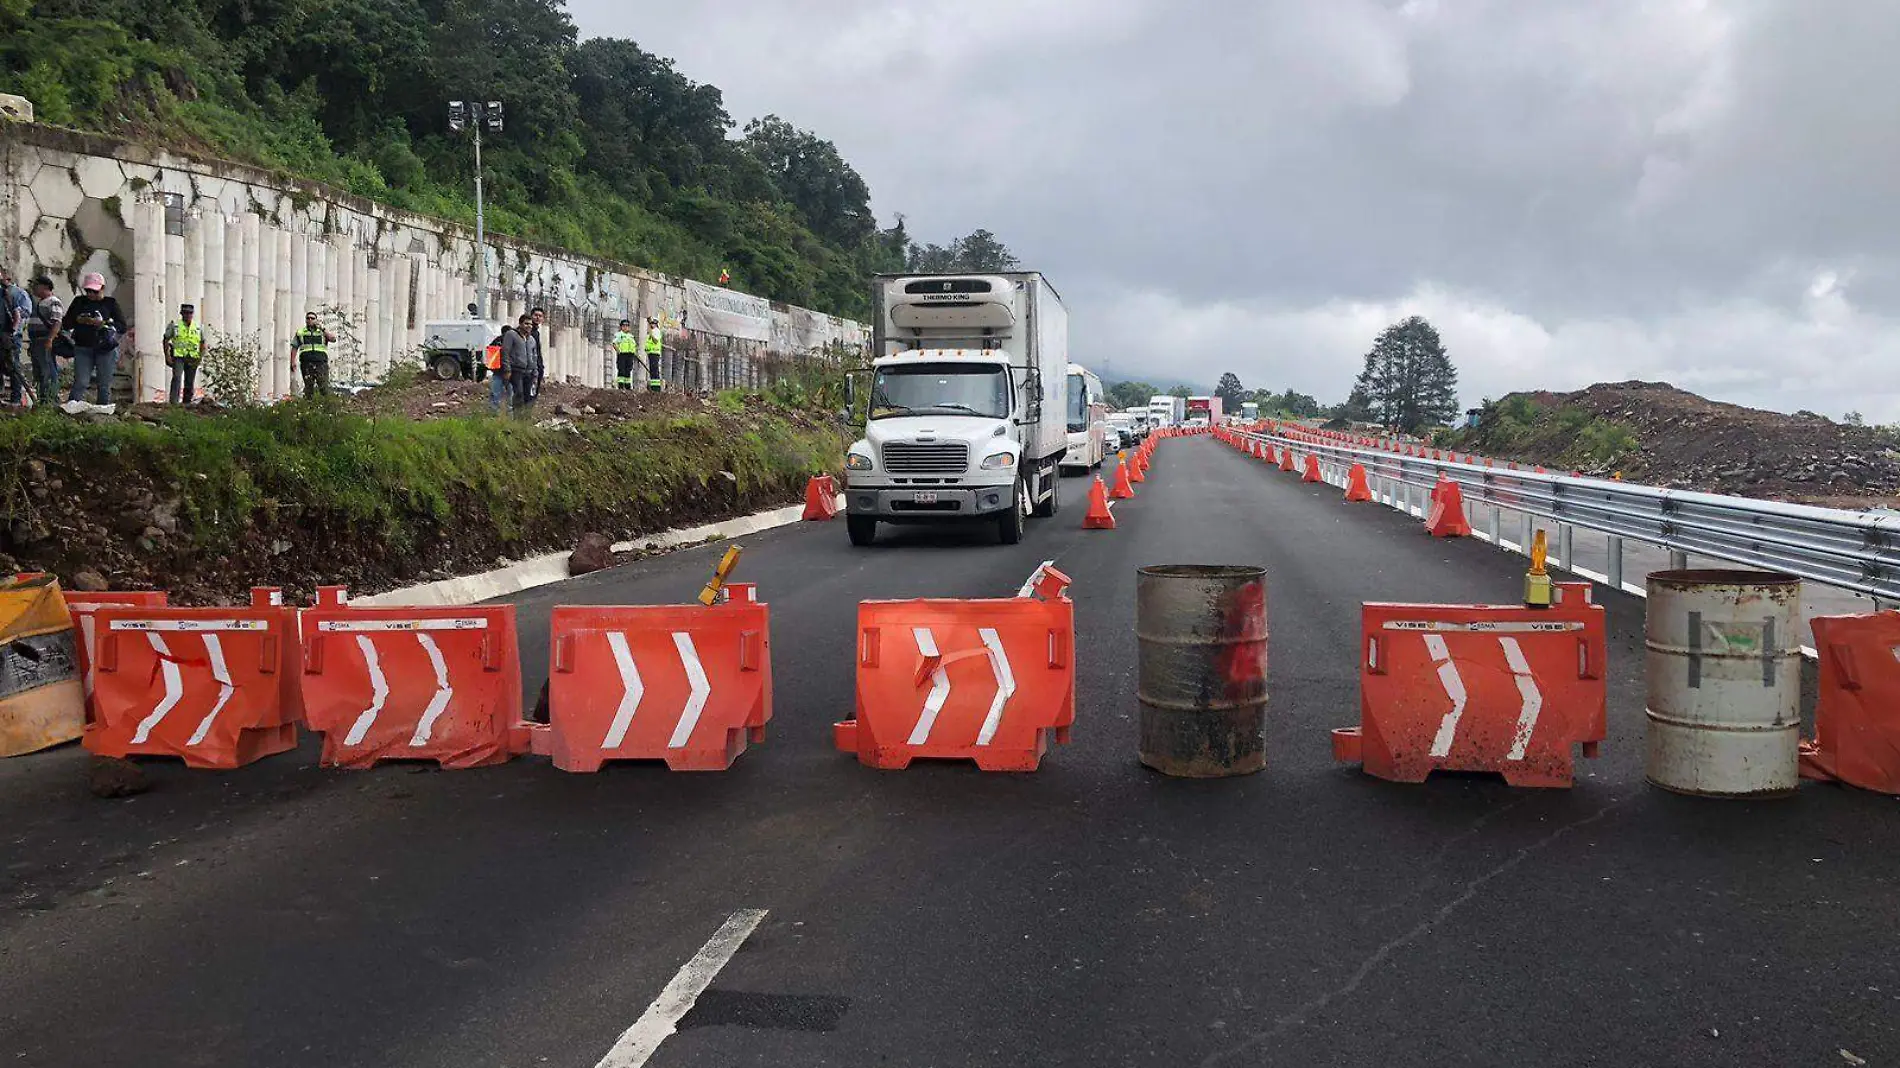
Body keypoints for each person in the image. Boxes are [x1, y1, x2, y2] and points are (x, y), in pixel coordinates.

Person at [61, 273, 125, 405]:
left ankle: (102, 412)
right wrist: (79, 320)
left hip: (105, 348)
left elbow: (121, 326)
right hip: (83, 347)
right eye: (88, 291)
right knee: (81, 382)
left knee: (104, 383)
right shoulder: (79, 302)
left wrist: (104, 323)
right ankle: (71, 409)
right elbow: (66, 323)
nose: (91, 294)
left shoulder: (110, 303)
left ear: (102, 288)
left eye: (94, 291)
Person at [25, 276, 62, 408]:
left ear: (45, 287)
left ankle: (51, 399)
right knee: (39, 371)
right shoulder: (40, 303)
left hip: (44, 340)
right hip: (36, 341)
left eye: (37, 285)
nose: (34, 288)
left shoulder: (53, 301)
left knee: (48, 370)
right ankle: (43, 398)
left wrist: (50, 339)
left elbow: (57, 322)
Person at [162, 303, 204, 405]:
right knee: (177, 378)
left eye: (189, 313)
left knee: (189, 381)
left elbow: (202, 342)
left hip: (192, 357)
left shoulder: (197, 327)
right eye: (185, 313)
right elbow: (166, 339)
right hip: (178, 356)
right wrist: (167, 356)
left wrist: (200, 356)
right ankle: (174, 402)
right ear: (182, 314)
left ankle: (187, 403)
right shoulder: (175, 325)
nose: (188, 315)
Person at [0, 267, 30, 406]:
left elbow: (24, 313)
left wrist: (13, 331)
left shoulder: (16, 293)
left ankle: (16, 398)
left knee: (13, 366)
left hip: (9, 335)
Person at [291, 311, 334, 399]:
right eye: (308, 318)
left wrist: (323, 328)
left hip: (321, 364)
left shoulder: (322, 332)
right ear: (306, 320)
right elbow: (294, 347)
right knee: (308, 388)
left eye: (312, 318)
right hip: (306, 364)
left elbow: (333, 339)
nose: (310, 320)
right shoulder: (301, 332)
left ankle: (327, 407)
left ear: (316, 320)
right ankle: (309, 408)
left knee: (324, 388)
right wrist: (292, 362)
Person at [501, 313, 536, 415]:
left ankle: (524, 419)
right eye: (526, 324)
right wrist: (507, 369)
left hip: (529, 372)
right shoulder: (511, 335)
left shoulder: (532, 339)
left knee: (527, 396)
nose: (529, 326)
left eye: (530, 324)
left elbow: (535, 357)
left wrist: (535, 373)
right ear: (520, 324)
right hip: (516, 370)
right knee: (518, 394)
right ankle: (517, 418)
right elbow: (505, 352)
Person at [611, 318, 639, 389]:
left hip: (630, 355)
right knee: (621, 370)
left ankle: (627, 387)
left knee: (628, 370)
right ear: (621, 327)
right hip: (622, 355)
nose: (625, 327)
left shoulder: (631, 336)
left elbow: (633, 346)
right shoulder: (620, 335)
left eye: (627, 326)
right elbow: (614, 343)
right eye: (624, 326)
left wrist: (634, 353)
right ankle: (620, 386)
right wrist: (618, 351)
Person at [529, 307, 547, 400]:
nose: (537, 318)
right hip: (530, 366)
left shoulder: (536, 332)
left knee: (533, 391)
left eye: (540, 316)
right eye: (535, 315)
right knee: (530, 392)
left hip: (537, 365)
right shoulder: (529, 331)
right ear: (531, 316)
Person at [643, 315, 664, 392]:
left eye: (653, 323)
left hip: (655, 353)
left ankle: (656, 388)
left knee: (655, 370)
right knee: (652, 370)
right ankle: (653, 386)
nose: (652, 325)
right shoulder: (650, 332)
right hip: (651, 353)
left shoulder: (656, 331)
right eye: (651, 323)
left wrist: (651, 334)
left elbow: (655, 341)